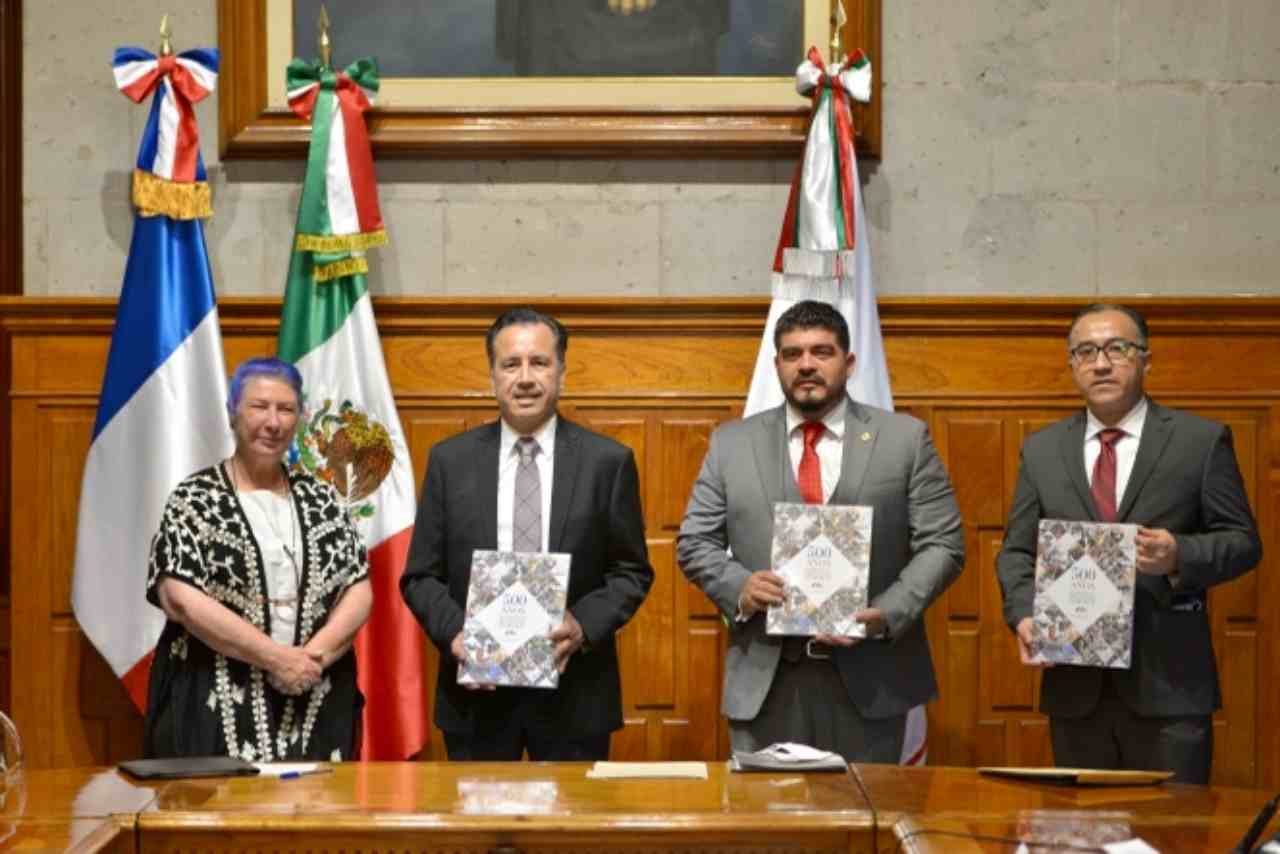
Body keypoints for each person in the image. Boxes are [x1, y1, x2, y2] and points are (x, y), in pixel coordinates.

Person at [677, 300, 964, 762]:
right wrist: (741, 586)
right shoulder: (731, 442)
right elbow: (695, 542)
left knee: (868, 825)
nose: (806, 365)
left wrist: (888, 612)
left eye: (821, 352)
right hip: (767, 682)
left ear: (849, 363)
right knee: (770, 827)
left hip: (874, 679)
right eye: (792, 355)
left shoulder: (905, 439)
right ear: (777, 365)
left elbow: (944, 543)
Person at [996, 303, 1261, 784]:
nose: (1101, 363)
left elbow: (1243, 542)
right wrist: (1023, 614)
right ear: (1072, 364)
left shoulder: (1199, 441)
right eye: (1086, 351)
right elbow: (1017, 550)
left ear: (1145, 359)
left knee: (1171, 837)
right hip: (1076, 689)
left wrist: (1180, 554)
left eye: (1117, 348)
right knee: (1085, 835)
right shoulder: (1042, 450)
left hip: (1170, 688)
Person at [401, 307, 653, 761]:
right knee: (478, 832)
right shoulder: (449, 461)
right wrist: (457, 635)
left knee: (571, 832)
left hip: (574, 697)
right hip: (476, 700)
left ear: (562, 371)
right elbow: (420, 576)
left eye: (539, 362)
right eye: (510, 364)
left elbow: (631, 572)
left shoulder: (607, 463)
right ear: (492, 375)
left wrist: (582, 624)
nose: (525, 377)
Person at [143, 357, 372, 761]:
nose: (273, 422)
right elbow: (178, 596)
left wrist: (309, 660)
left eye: (286, 409)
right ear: (233, 414)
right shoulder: (194, 498)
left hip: (313, 698)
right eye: (259, 407)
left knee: (316, 818)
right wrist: (276, 659)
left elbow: (358, 587)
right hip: (212, 703)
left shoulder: (322, 497)